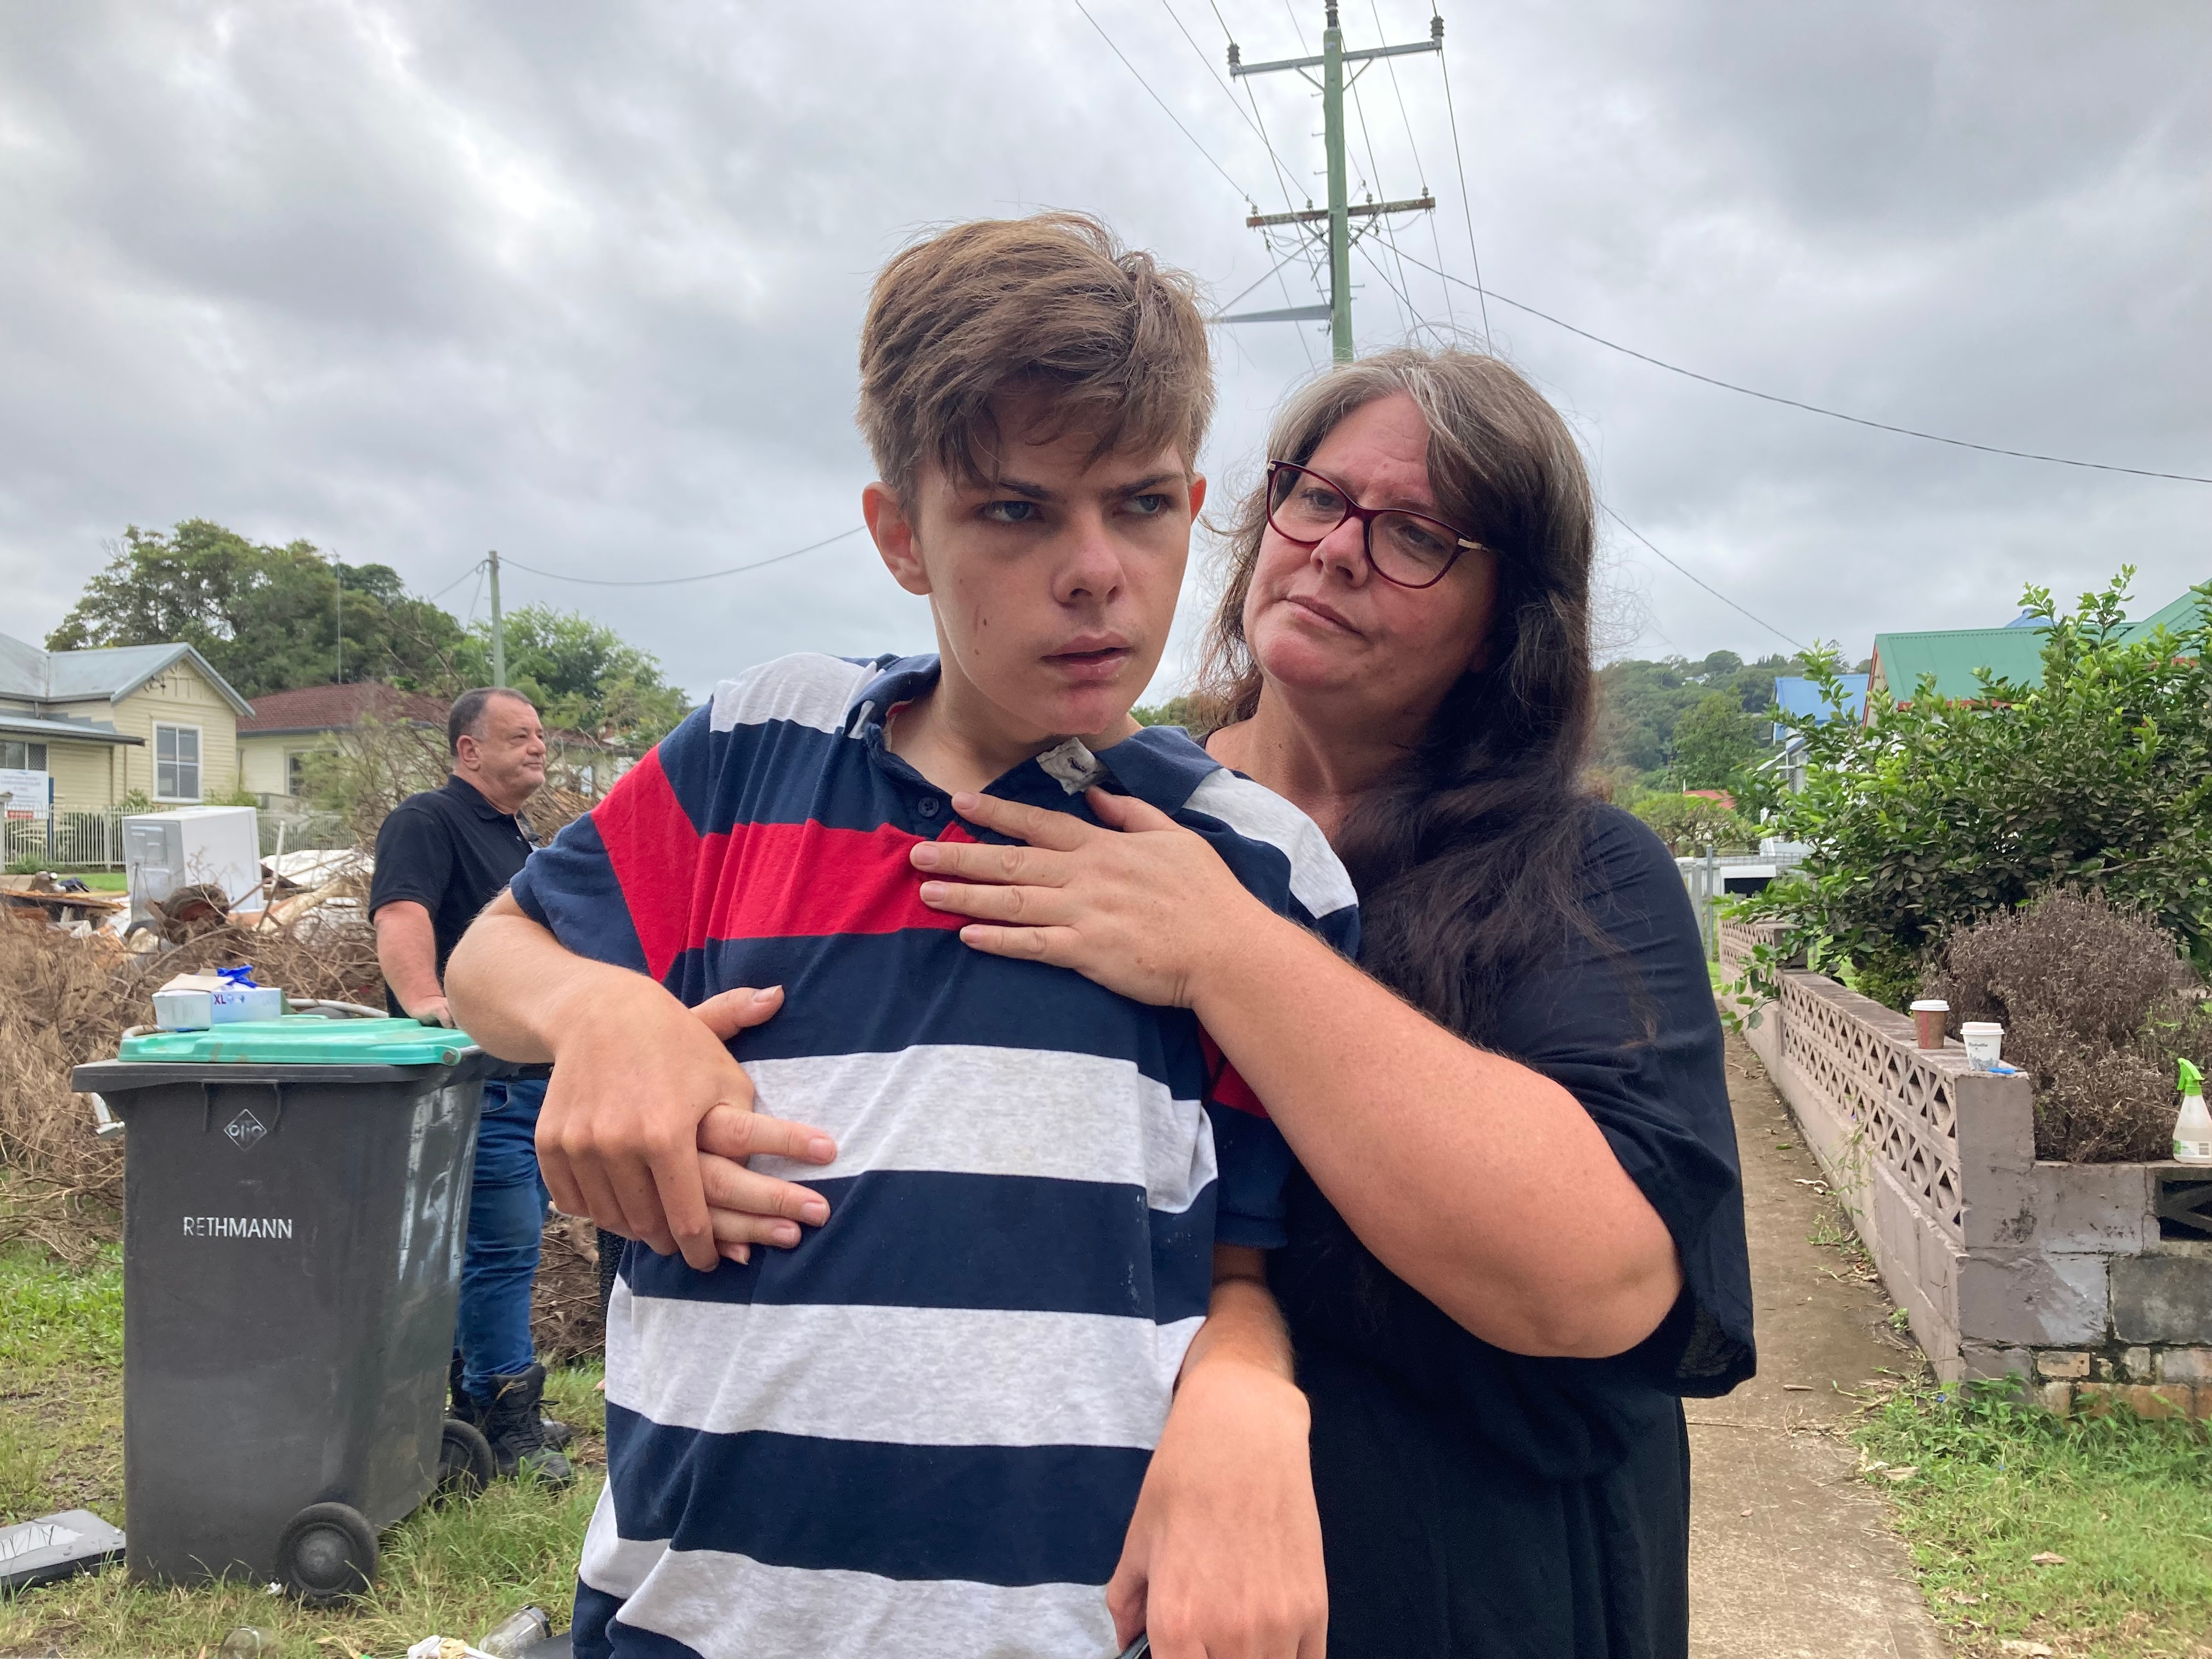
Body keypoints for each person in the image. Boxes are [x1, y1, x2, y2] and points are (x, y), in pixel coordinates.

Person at [445, 213, 1346, 1659]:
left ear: (1194, 504)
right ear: (897, 535)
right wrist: (606, 1018)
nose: (1094, 569)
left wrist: (1254, 1385)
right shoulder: (753, 750)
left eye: (1139, 505)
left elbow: (1253, 1264)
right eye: (1013, 511)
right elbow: (489, 961)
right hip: (688, 1622)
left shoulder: (1258, 872)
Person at [895, 348, 1758, 1657]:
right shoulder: (1101, 806)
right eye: (1316, 498)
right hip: (1109, 1580)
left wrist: (1228, 951)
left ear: (1504, 615)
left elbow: (1598, 1281)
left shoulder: (1582, 874)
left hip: (1472, 1578)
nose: (1338, 551)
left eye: (1416, 534)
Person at [368, 686, 575, 1486]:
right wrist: (427, 1003)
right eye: (519, 736)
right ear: (468, 751)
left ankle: (468, 1399)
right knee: (501, 1248)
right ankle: (505, 1418)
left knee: (485, 1249)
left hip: (526, 1080)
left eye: (540, 735)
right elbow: (401, 915)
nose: (538, 748)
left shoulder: (519, 837)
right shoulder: (429, 820)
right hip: (474, 1083)